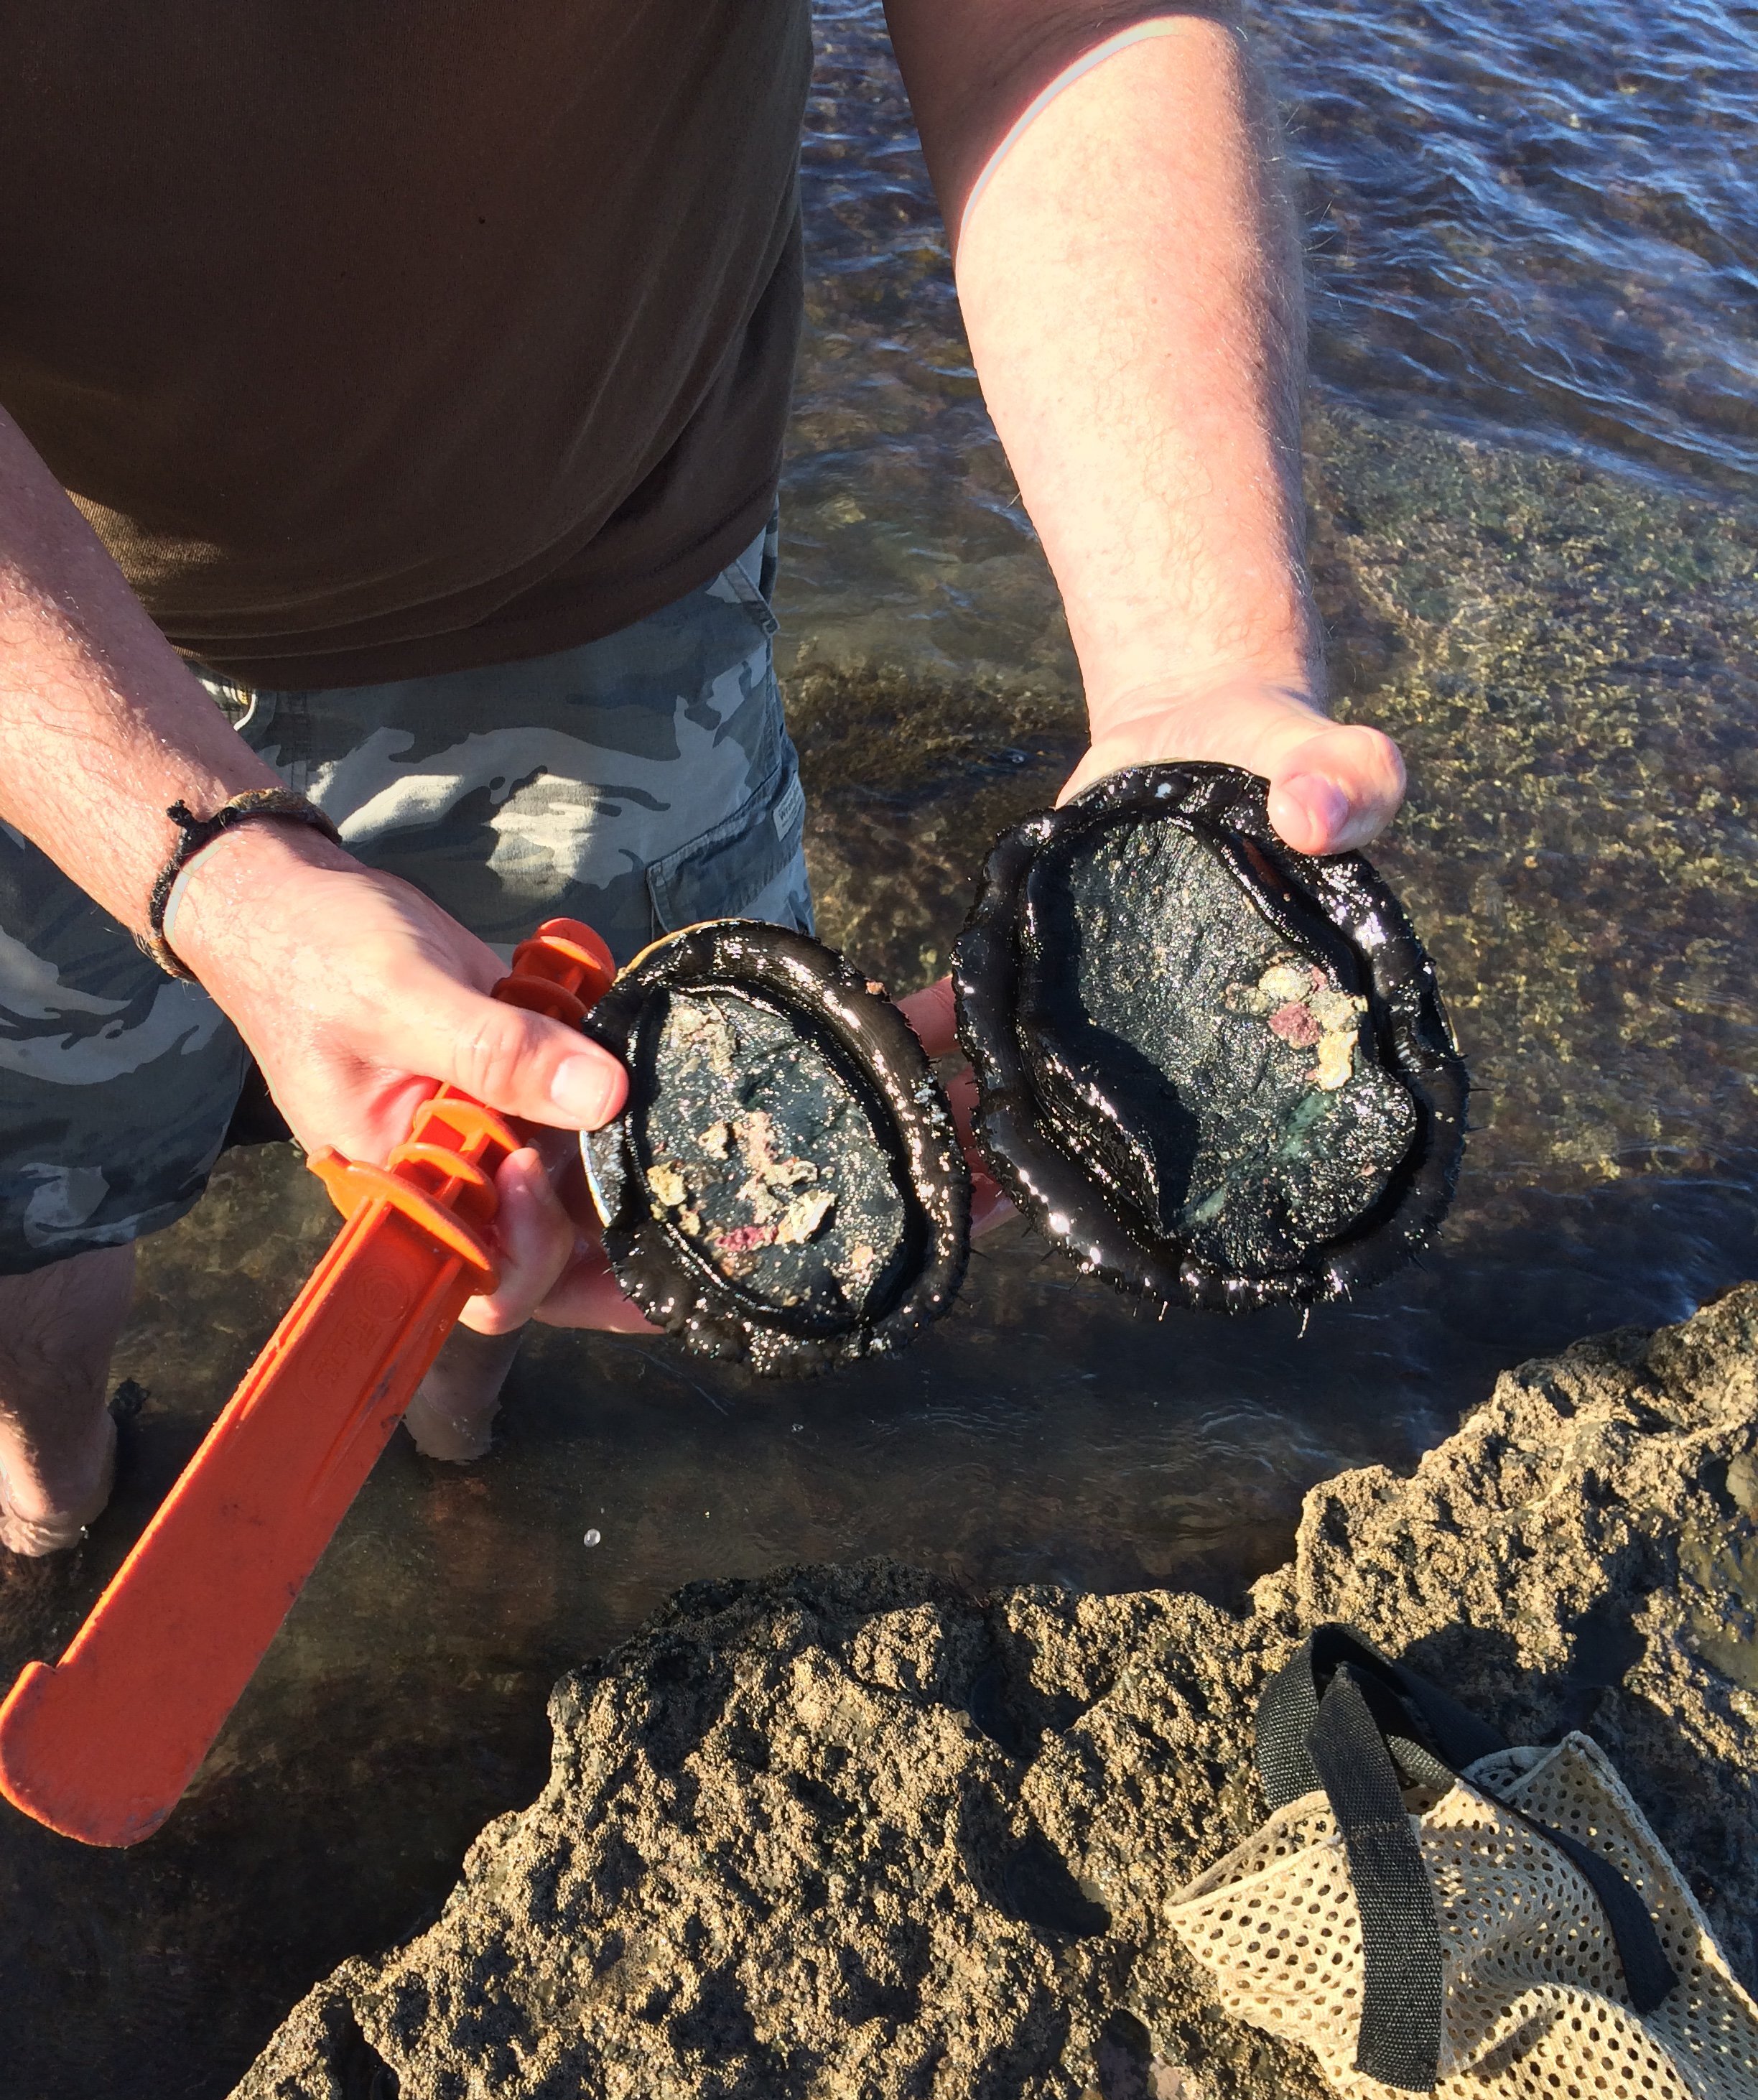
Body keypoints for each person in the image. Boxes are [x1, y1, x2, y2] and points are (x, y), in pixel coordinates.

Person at [0, 1, 1405, 1556]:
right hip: (41, 646)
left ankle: (457, 1431)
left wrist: (1198, 664)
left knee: (557, 1177)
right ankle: (53, 1490)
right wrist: (199, 856)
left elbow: (1059, 26)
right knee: (22, 1209)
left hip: (611, 584)